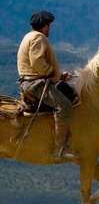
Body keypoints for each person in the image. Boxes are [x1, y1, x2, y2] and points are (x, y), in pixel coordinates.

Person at [17, 10, 78, 161]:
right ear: (44, 26)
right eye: (49, 26)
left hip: (34, 80)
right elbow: (37, 62)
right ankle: (60, 149)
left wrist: (59, 75)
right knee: (64, 105)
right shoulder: (39, 37)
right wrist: (52, 73)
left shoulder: (28, 36)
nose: (49, 28)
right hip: (35, 84)